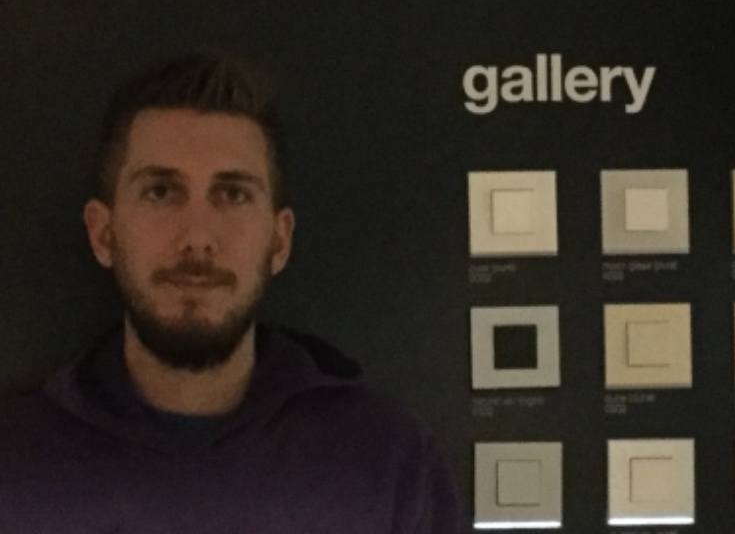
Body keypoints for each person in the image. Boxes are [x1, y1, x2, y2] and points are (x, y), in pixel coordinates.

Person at [0, 52, 463, 533]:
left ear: (279, 241)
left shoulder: (384, 463)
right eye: (161, 191)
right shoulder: (13, 458)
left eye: (233, 194)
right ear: (103, 234)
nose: (197, 237)